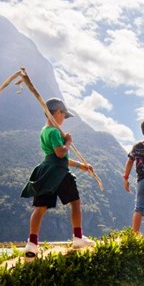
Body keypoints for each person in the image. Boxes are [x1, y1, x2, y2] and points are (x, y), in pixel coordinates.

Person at [21, 97, 95, 258]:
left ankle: (32, 244)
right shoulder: (55, 131)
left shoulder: (44, 131)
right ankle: (78, 237)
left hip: (47, 171)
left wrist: (81, 166)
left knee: (40, 208)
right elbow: (61, 153)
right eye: (64, 115)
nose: (64, 119)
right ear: (57, 112)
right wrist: (68, 142)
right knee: (75, 203)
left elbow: (57, 157)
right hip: (59, 173)